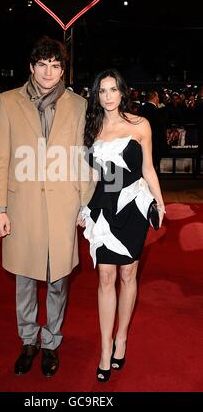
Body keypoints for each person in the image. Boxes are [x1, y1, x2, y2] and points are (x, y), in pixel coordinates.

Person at [0, 37, 94, 377]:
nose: (49, 72)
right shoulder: (7, 101)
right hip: (22, 205)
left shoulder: (78, 105)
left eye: (56, 66)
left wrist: (85, 203)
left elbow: (82, 158)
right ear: (31, 67)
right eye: (43, 65)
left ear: (63, 70)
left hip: (63, 205)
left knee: (58, 280)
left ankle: (51, 342)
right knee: (24, 278)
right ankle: (28, 339)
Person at [77, 69, 165, 382]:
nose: (109, 96)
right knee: (105, 276)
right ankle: (104, 348)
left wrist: (160, 201)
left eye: (113, 89)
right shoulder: (90, 126)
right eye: (102, 91)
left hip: (134, 206)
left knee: (128, 273)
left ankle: (122, 338)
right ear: (96, 95)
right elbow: (90, 175)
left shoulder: (141, 124)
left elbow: (148, 168)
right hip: (103, 206)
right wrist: (82, 207)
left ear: (122, 92)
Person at [138, 90, 168, 172]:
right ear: (154, 98)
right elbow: (162, 124)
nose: (158, 98)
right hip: (156, 141)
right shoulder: (158, 110)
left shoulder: (140, 109)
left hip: (142, 140)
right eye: (157, 97)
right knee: (154, 163)